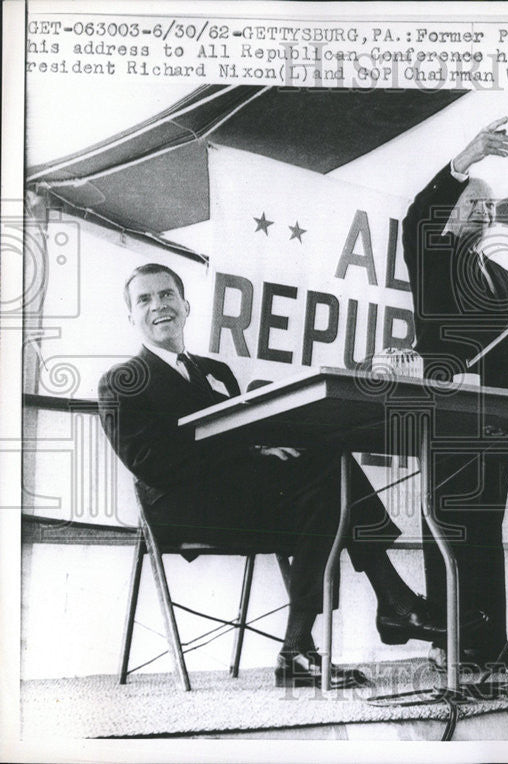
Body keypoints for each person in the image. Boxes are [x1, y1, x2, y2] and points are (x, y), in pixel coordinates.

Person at [98, 263, 466, 690]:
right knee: (329, 479)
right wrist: (249, 452)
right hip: (179, 507)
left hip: (240, 497)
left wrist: (265, 446)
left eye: (166, 295)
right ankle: (390, 602)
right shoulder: (120, 381)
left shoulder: (214, 370)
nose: (158, 305)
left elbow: (248, 433)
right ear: (131, 316)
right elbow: (151, 463)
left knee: (331, 474)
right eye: (144, 299)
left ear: (185, 305)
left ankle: (306, 648)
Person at [402, 118, 508, 674]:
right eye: (473, 204)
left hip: (497, 420)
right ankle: (450, 641)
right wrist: (463, 163)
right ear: (453, 211)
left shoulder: (503, 277)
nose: (484, 214)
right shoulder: (434, 256)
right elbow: (414, 220)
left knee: (487, 531)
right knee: (448, 524)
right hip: (449, 412)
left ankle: (491, 644)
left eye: (490, 208)